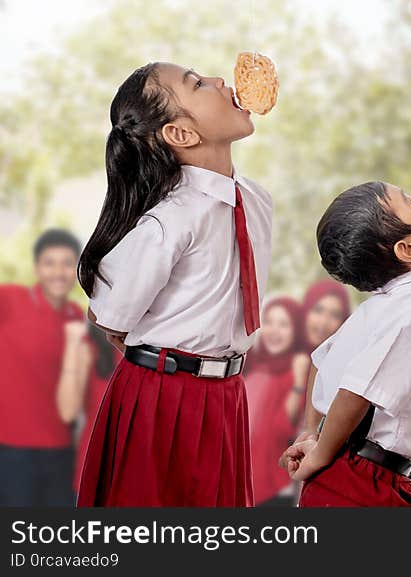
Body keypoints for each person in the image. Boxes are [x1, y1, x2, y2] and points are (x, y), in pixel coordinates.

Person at [76, 62, 273, 507]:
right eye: (198, 84)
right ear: (181, 134)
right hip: (162, 398)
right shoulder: (171, 219)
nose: (223, 82)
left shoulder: (257, 200)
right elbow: (110, 317)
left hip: (227, 396)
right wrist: (163, 361)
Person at [279, 181, 411, 507]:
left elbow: (321, 359)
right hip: (363, 484)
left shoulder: (385, 303)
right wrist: (319, 453)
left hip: (344, 474)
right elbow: (356, 390)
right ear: (409, 249)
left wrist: (311, 431)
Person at [0, 229, 84, 506]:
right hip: (12, 450)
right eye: (49, 263)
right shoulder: (10, 300)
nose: (58, 272)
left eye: (67, 263)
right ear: (37, 268)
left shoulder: (76, 315)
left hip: (61, 450)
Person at [244, 297, 307, 507]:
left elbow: (282, 429)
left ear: (295, 330)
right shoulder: (250, 365)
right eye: (269, 322)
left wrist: (298, 384)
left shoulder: (296, 373)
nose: (274, 330)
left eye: (283, 324)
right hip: (237, 475)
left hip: (271, 486)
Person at [61, 324, 122, 499]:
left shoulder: (155, 348)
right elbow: (68, 411)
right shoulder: (90, 347)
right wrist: (73, 348)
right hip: (95, 471)